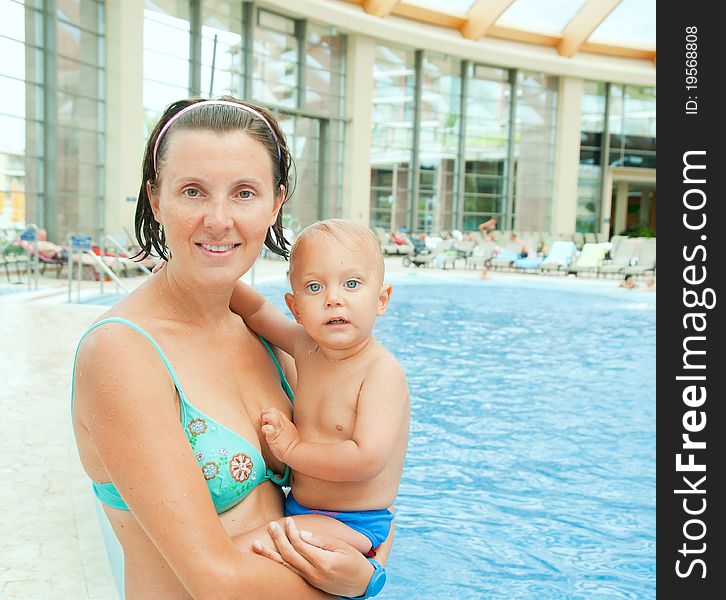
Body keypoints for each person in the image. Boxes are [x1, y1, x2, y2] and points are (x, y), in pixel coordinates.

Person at [71, 98, 391, 599]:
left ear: (276, 203)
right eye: (193, 191)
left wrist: (369, 571)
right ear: (155, 199)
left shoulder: (272, 341)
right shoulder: (123, 354)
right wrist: (359, 581)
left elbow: (367, 504)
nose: (218, 220)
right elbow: (215, 581)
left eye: (244, 193)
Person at [228, 219, 410, 561]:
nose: (333, 299)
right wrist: (205, 278)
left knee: (236, 554)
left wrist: (293, 450)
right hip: (301, 508)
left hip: (354, 524)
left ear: (382, 299)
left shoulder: (381, 373)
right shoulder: (305, 347)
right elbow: (255, 310)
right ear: (295, 308)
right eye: (314, 287)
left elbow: (366, 459)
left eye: (352, 284)